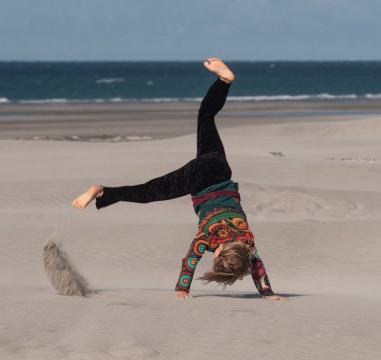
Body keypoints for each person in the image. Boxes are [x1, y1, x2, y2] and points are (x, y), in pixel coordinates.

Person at [72, 58, 288, 301]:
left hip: (220, 167)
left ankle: (224, 81)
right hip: (200, 179)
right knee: (148, 192)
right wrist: (182, 289)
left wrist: (268, 292)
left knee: (206, 117)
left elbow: (257, 266)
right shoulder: (209, 236)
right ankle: (101, 192)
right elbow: (190, 261)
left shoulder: (246, 241)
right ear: (218, 255)